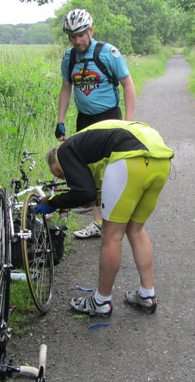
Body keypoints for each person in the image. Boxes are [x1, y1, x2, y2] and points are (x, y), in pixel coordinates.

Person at [37, 119, 174, 317]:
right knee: (135, 229)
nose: (65, 178)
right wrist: (84, 197)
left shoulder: (65, 150)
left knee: (111, 235)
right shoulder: (88, 146)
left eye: (60, 173)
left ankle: (101, 301)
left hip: (130, 158)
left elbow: (84, 193)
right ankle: (147, 295)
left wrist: (53, 201)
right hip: (160, 159)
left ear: (56, 160)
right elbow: (94, 194)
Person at [55, 8, 136, 239]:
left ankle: (116, 219)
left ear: (90, 31)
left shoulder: (107, 53)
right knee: (89, 170)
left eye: (81, 34)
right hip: (85, 120)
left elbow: (128, 85)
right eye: (72, 36)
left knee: (114, 170)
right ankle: (98, 223)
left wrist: (128, 122)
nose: (77, 40)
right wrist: (60, 120)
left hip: (110, 117)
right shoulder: (69, 57)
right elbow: (66, 88)